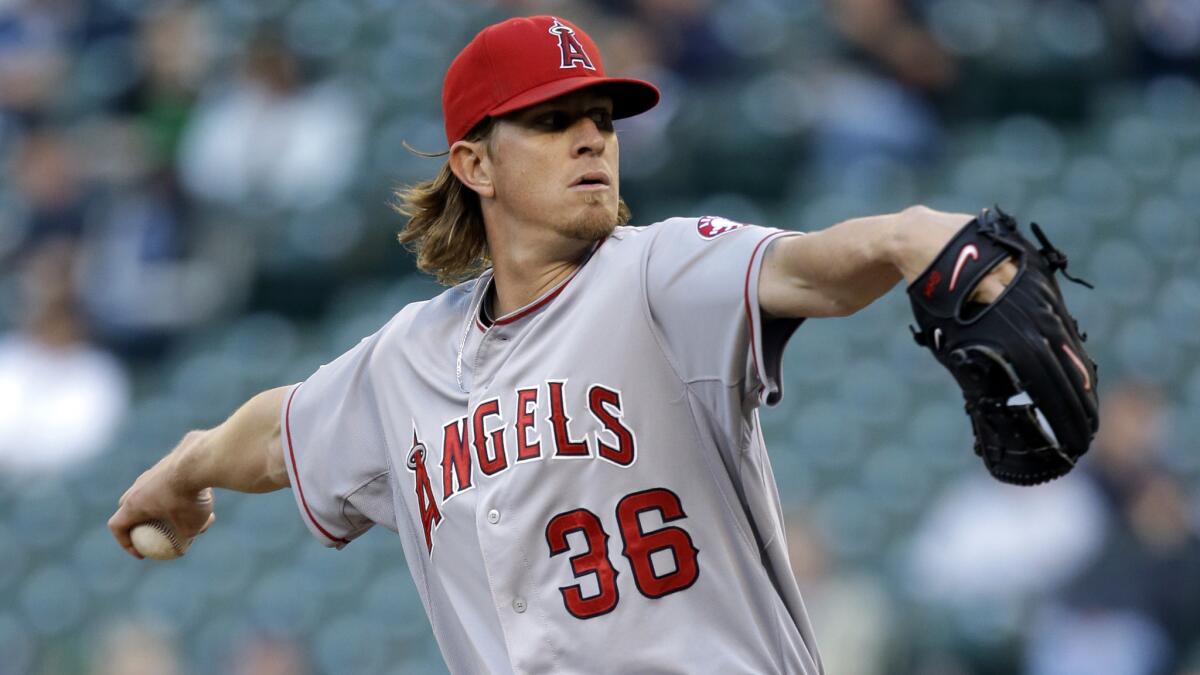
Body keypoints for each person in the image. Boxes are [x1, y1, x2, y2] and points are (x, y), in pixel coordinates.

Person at [108, 15, 1016, 674]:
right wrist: (185, 468)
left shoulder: (659, 273)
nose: (591, 137)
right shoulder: (407, 358)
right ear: (474, 164)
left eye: (603, 118)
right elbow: (278, 432)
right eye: (551, 121)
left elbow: (812, 269)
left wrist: (907, 237)